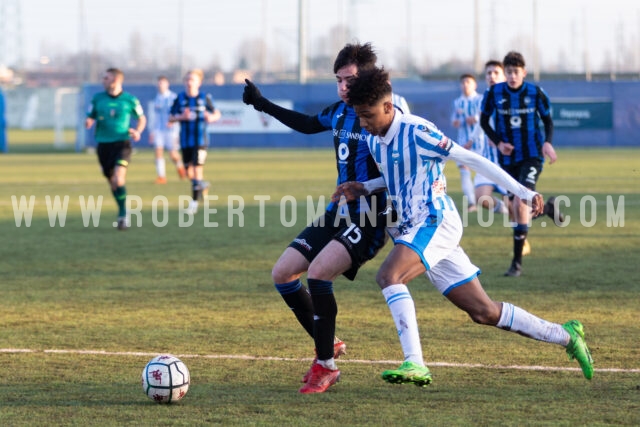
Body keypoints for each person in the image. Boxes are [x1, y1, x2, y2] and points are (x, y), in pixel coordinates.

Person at [334, 66, 593, 387]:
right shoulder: (376, 139)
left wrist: (524, 192)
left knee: (389, 276)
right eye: (358, 116)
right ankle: (565, 335)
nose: (363, 123)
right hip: (415, 229)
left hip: (435, 221)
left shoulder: (417, 131)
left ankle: (415, 363)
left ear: (388, 107)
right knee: (484, 312)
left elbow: (472, 159)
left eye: (367, 115)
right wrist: (364, 187)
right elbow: (394, 177)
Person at [242, 42, 389, 394]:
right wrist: (262, 103)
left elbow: (403, 171)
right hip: (337, 213)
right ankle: (330, 342)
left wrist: (366, 188)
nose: (343, 87)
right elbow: (308, 124)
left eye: (350, 80)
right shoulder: (338, 112)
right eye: (338, 80)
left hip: (370, 217)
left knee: (319, 274)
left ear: (368, 78)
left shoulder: (384, 117)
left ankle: (326, 365)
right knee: (283, 273)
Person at [480, 51, 563, 277]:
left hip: (532, 155)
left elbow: (547, 120)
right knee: (516, 208)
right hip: (507, 159)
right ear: (504, 73)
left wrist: (547, 143)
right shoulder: (494, 93)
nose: (512, 76)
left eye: (516, 72)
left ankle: (516, 264)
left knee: (520, 202)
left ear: (524, 72)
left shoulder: (535, 93)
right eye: (508, 72)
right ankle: (547, 209)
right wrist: (499, 143)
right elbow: (483, 121)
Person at [85, 68, 146, 230]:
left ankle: (123, 214)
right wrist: (89, 121)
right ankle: (121, 210)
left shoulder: (130, 100)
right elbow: (90, 115)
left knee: (119, 179)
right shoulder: (98, 99)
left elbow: (141, 118)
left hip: (122, 144)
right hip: (104, 146)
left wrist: (137, 131)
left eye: (106, 78)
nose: (102, 80)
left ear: (115, 81)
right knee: (113, 183)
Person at [169, 69, 221, 214]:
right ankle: (201, 185)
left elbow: (217, 113)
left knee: (197, 171)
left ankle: (193, 204)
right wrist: (181, 117)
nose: (189, 82)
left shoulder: (205, 97)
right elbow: (170, 118)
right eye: (187, 80)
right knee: (188, 172)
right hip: (185, 141)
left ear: (199, 82)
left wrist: (211, 117)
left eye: (192, 79)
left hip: (200, 140)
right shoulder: (179, 98)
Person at [450, 73, 483, 213]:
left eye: (468, 82)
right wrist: (460, 121)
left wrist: (475, 118)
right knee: (464, 172)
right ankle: (471, 203)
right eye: (463, 82)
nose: (465, 84)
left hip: (481, 143)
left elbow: (482, 118)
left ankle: (501, 202)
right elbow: (454, 121)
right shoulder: (458, 102)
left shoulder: (481, 99)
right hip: (463, 143)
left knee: (484, 173)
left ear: (474, 84)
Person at [149, 76, 186, 184]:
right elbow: (155, 116)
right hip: (159, 130)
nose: (160, 85)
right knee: (158, 152)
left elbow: (180, 112)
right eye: (159, 83)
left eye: (162, 83)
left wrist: (173, 121)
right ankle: (161, 177)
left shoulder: (173, 97)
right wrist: (152, 130)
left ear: (167, 84)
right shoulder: (157, 98)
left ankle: (180, 167)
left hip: (171, 130)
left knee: (173, 154)